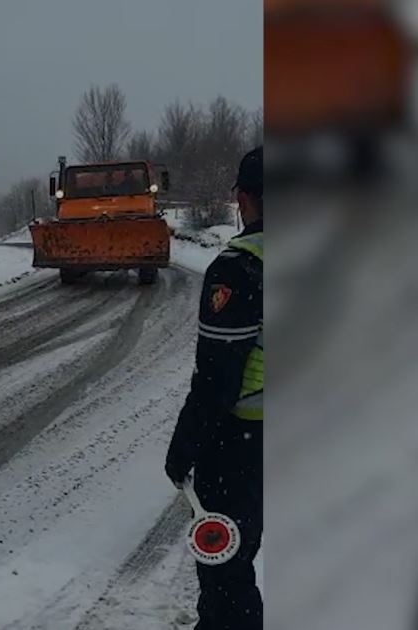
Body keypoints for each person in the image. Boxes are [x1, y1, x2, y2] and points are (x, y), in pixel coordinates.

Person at [165, 146, 263, 630]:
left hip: (239, 440)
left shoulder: (238, 268)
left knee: (226, 566)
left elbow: (217, 381)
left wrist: (183, 450)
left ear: (245, 199)